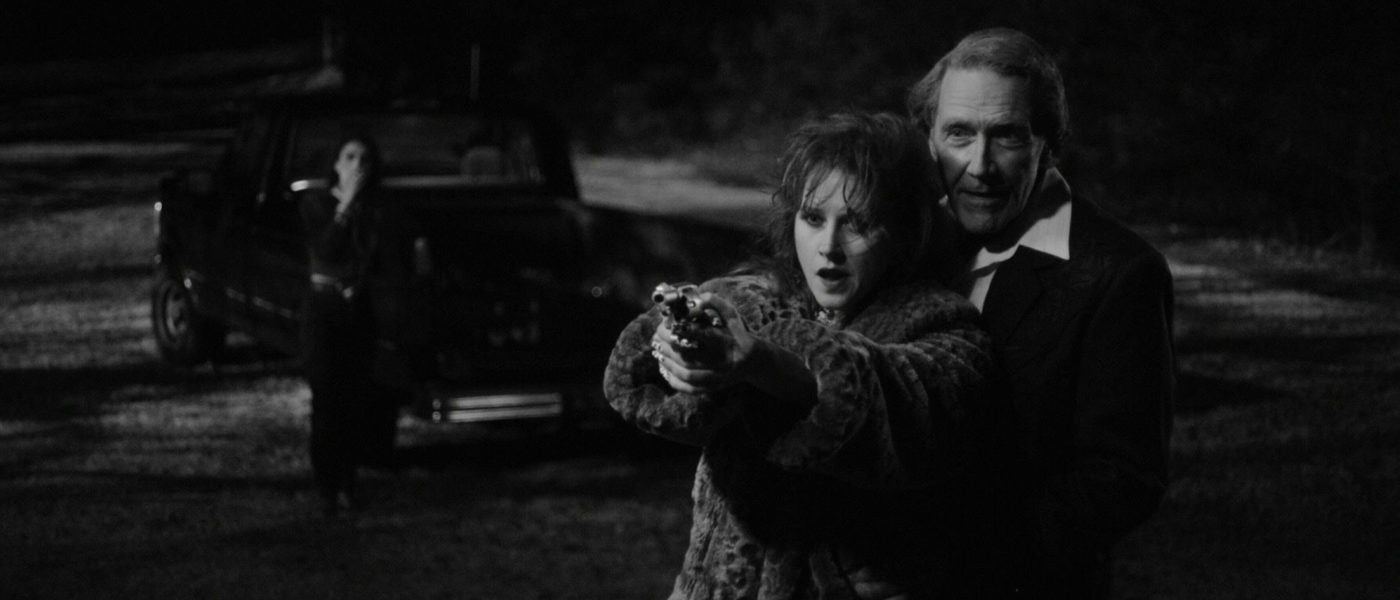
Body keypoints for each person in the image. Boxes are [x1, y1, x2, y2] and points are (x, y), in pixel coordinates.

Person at [604, 112, 993, 599]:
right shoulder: (756, 299)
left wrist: (765, 364)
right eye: (813, 218)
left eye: (858, 223)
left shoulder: (945, 329)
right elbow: (642, 378)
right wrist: (676, 348)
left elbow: (897, 402)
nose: (829, 246)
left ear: (903, 231)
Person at [907, 28, 1176, 598]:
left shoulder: (1118, 272)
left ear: (1048, 143)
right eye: (959, 133)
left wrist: (947, 556)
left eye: (1006, 135)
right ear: (930, 139)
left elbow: (1124, 479)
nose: (979, 165)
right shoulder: (910, 242)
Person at [299, 135, 399, 517]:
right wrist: (346, 206)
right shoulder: (316, 204)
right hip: (323, 311)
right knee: (327, 399)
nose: (357, 165)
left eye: (365, 159)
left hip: (357, 310)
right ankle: (327, 485)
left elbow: (381, 258)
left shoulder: (374, 211)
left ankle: (348, 482)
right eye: (350, 156)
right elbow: (325, 249)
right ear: (336, 164)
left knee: (356, 400)